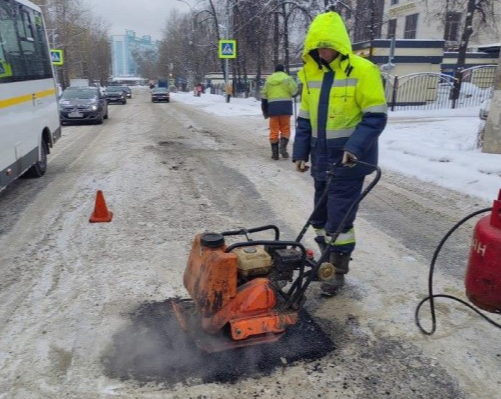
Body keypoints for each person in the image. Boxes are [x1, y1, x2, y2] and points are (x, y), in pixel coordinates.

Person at [292, 11, 387, 296]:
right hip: (321, 158)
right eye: (318, 46)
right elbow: (305, 119)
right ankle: (326, 263)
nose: (323, 51)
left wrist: (354, 148)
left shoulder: (363, 70)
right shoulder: (311, 74)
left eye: (328, 45)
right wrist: (300, 152)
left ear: (340, 44)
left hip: (349, 161)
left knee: (340, 221)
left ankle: (337, 273)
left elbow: (375, 117)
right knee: (320, 218)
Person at [261, 64, 298, 160]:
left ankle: (275, 154)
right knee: (285, 129)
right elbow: (294, 91)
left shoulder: (268, 80)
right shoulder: (287, 78)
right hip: (285, 107)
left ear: (275, 70)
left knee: (274, 131)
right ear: (283, 70)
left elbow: (264, 96)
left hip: (273, 108)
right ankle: (283, 147)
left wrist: (265, 110)